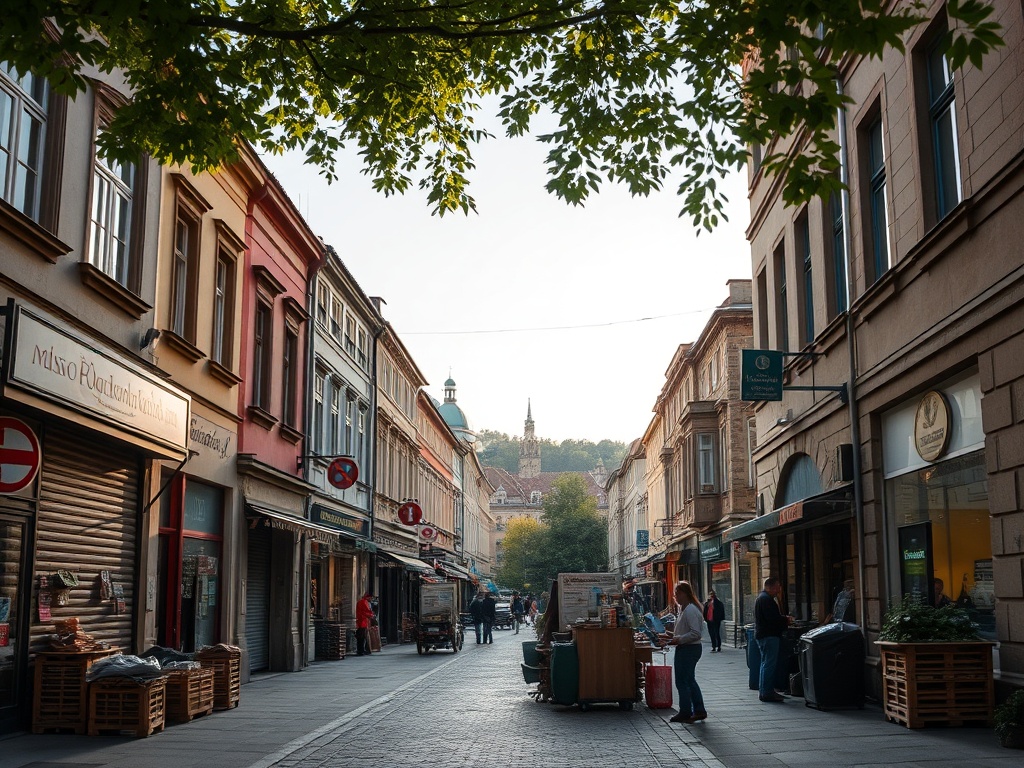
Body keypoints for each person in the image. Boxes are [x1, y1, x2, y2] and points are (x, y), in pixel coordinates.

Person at [661, 580, 707, 724]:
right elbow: (683, 631)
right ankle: (698, 710)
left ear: (683, 594)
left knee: (683, 681)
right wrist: (669, 636)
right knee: (688, 679)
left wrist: (678, 639)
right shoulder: (684, 609)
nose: (675, 597)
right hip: (686, 647)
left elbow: (695, 633)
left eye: (676, 594)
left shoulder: (691, 610)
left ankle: (686, 711)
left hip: (689, 649)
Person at [754, 577, 792, 702]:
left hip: (764, 635)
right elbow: (772, 619)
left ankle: (765, 691)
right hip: (769, 636)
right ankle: (767, 692)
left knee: (765, 663)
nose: (779, 590)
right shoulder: (766, 600)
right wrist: (785, 619)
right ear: (771, 587)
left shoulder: (762, 598)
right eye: (777, 587)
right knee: (769, 664)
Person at [355, 591, 375, 656]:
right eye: (371, 598)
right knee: (362, 637)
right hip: (363, 622)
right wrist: (371, 615)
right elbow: (367, 611)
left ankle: (361, 650)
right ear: (368, 597)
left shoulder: (361, 602)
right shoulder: (364, 602)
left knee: (361, 637)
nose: (371, 599)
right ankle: (361, 651)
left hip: (361, 622)